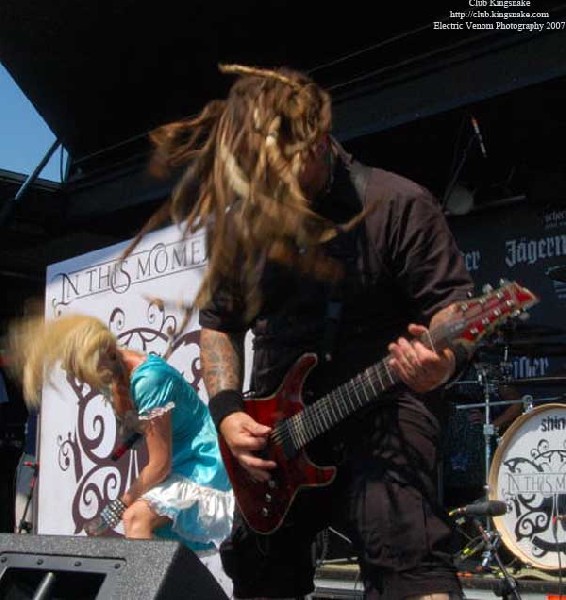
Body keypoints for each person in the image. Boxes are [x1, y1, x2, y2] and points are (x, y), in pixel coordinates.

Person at [135, 64, 476, 599]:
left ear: (315, 140)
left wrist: (444, 356)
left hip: (382, 406)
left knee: (404, 543)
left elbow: (453, 307)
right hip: (278, 429)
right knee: (257, 564)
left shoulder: (396, 204)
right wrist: (227, 413)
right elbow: (220, 325)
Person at [7, 313, 234, 553]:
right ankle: (171, 589)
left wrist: (113, 510)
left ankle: (145, 591)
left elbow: (159, 466)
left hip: (205, 460)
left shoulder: (149, 381)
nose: (74, 375)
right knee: (152, 536)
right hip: (183, 462)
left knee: (136, 519)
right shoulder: (117, 379)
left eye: (76, 367)